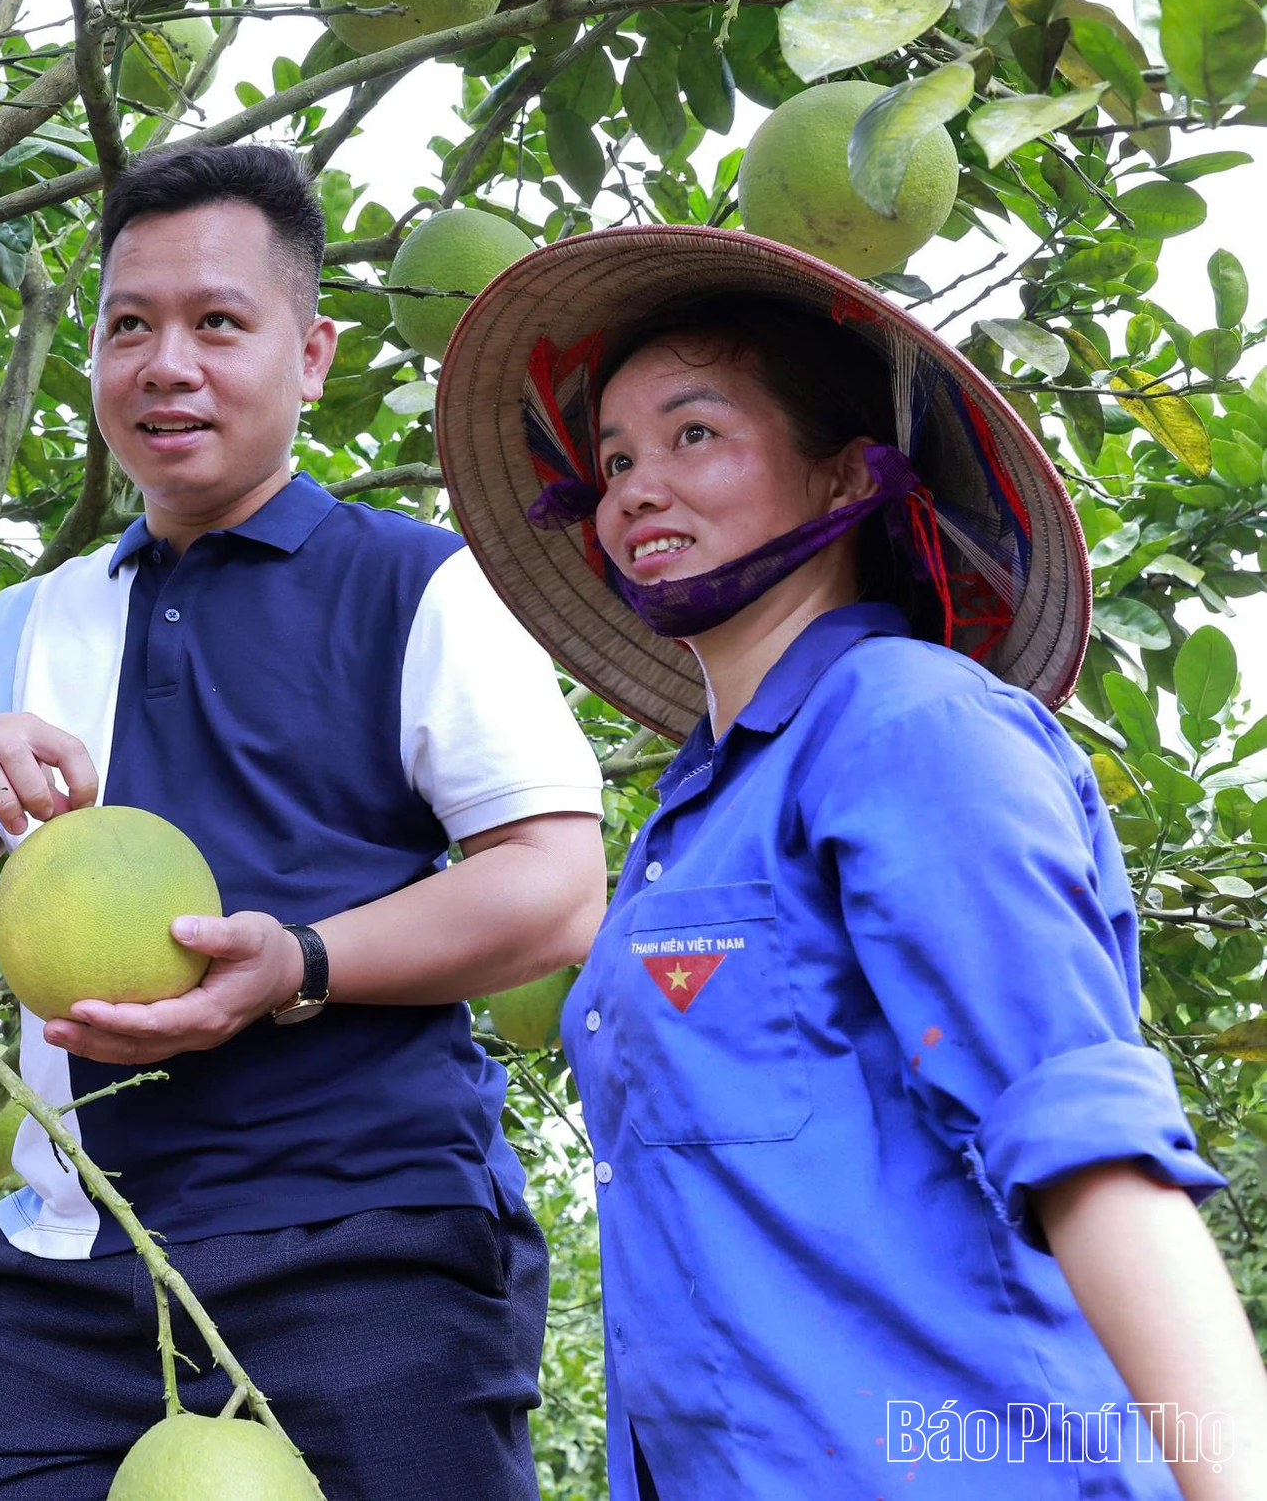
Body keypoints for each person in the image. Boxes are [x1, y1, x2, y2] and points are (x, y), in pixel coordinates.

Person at [436, 223, 1267, 1500]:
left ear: (843, 481)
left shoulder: (905, 723)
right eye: (612, 459)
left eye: (693, 434)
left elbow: (1083, 1134)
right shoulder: (688, 820)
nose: (634, 489)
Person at [0, 145, 607, 1498]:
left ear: (309, 356)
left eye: (217, 323)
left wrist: (298, 964)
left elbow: (554, 884)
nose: (166, 363)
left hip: (372, 1246)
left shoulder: (419, 586)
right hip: (78, 1266)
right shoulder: (23, 626)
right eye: (130, 324)